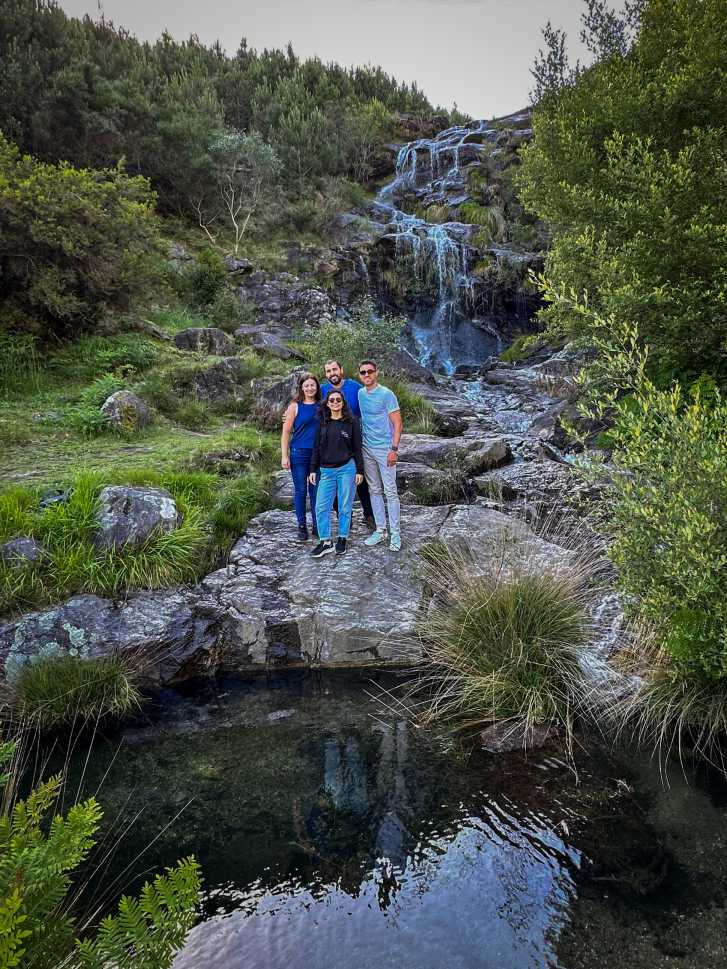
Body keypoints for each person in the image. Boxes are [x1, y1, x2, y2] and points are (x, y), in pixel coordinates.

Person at [320, 358, 376, 531]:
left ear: (341, 370)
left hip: (355, 440)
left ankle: (369, 515)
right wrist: (290, 413)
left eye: (334, 369)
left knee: (362, 480)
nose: (332, 373)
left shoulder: (354, 388)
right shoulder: (322, 390)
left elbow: (369, 408)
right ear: (325, 374)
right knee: (335, 482)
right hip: (332, 443)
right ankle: (345, 516)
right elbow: (306, 403)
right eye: (328, 371)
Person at [308, 391, 364, 558]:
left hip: (347, 469)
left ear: (342, 403)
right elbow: (316, 448)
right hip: (326, 471)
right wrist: (312, 469)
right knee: (321, 507)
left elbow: (357, 448)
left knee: (344, 507)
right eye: (331, 400)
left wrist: (360, 470)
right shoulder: (322, 423)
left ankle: (342, 538)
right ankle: (325, 542)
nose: (335, 402)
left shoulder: (351, 422)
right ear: (327, 403)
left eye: (338, 400)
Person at [357, 360, 403, 551]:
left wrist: (394, 449)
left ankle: (396, 534)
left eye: (370, 371)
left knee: (390, 492)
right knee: (374, 490)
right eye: (363, 372)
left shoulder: (387, 394)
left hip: (385, 450)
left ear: (376, 373)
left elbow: (398, 424)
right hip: (367, 449)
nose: (366, 375)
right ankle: (381, 530)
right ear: (360, 375)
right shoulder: (360, 393)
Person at [281, 373, 322, 541]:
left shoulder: (323, 405)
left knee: (316, 492)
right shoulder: (294, 407)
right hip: (299, 453)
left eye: (313, 385)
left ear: (317, 387)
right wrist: (284, 456)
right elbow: (285, 432)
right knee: (300, 491)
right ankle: (302, 525)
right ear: (301, 388)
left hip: (318, 455)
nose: (310, 388)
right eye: (306, 386)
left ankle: (317, 525)